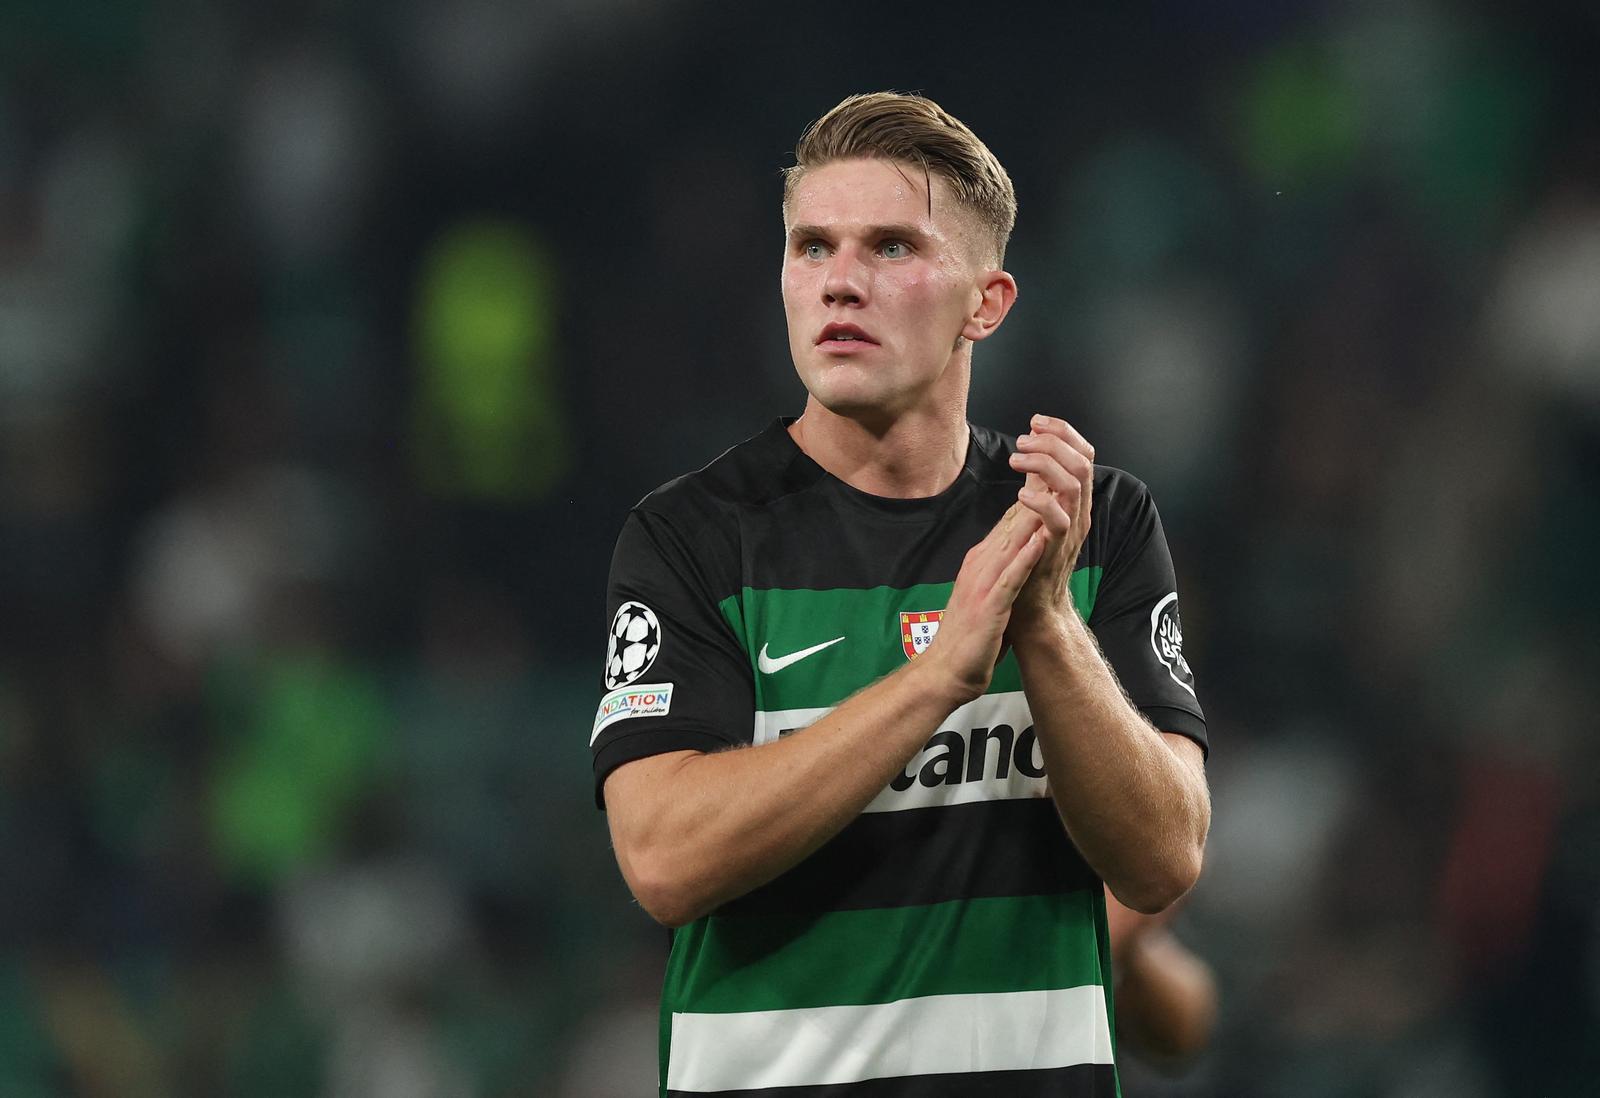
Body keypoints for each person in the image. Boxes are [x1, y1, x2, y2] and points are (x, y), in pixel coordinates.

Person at [590, 91, 1211, 1097]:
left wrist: (1045, 624)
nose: (839, 282)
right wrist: (935, 682)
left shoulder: (1091, 527)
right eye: (811, 247)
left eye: (889, 248)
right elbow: (662, 859)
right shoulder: (692, 537)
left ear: (986, 302)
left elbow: (1163, 858)